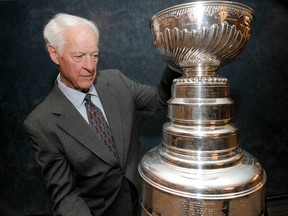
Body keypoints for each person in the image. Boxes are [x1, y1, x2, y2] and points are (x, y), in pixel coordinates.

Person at [23, 13, 181, 216]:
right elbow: (66, 196)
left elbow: (159, 97)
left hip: (150, 203)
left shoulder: (116, 81)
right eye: (79, 56)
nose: (90, 67)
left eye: (95, 55)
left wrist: (176, 60)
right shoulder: (41, 123)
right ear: (54, 54)